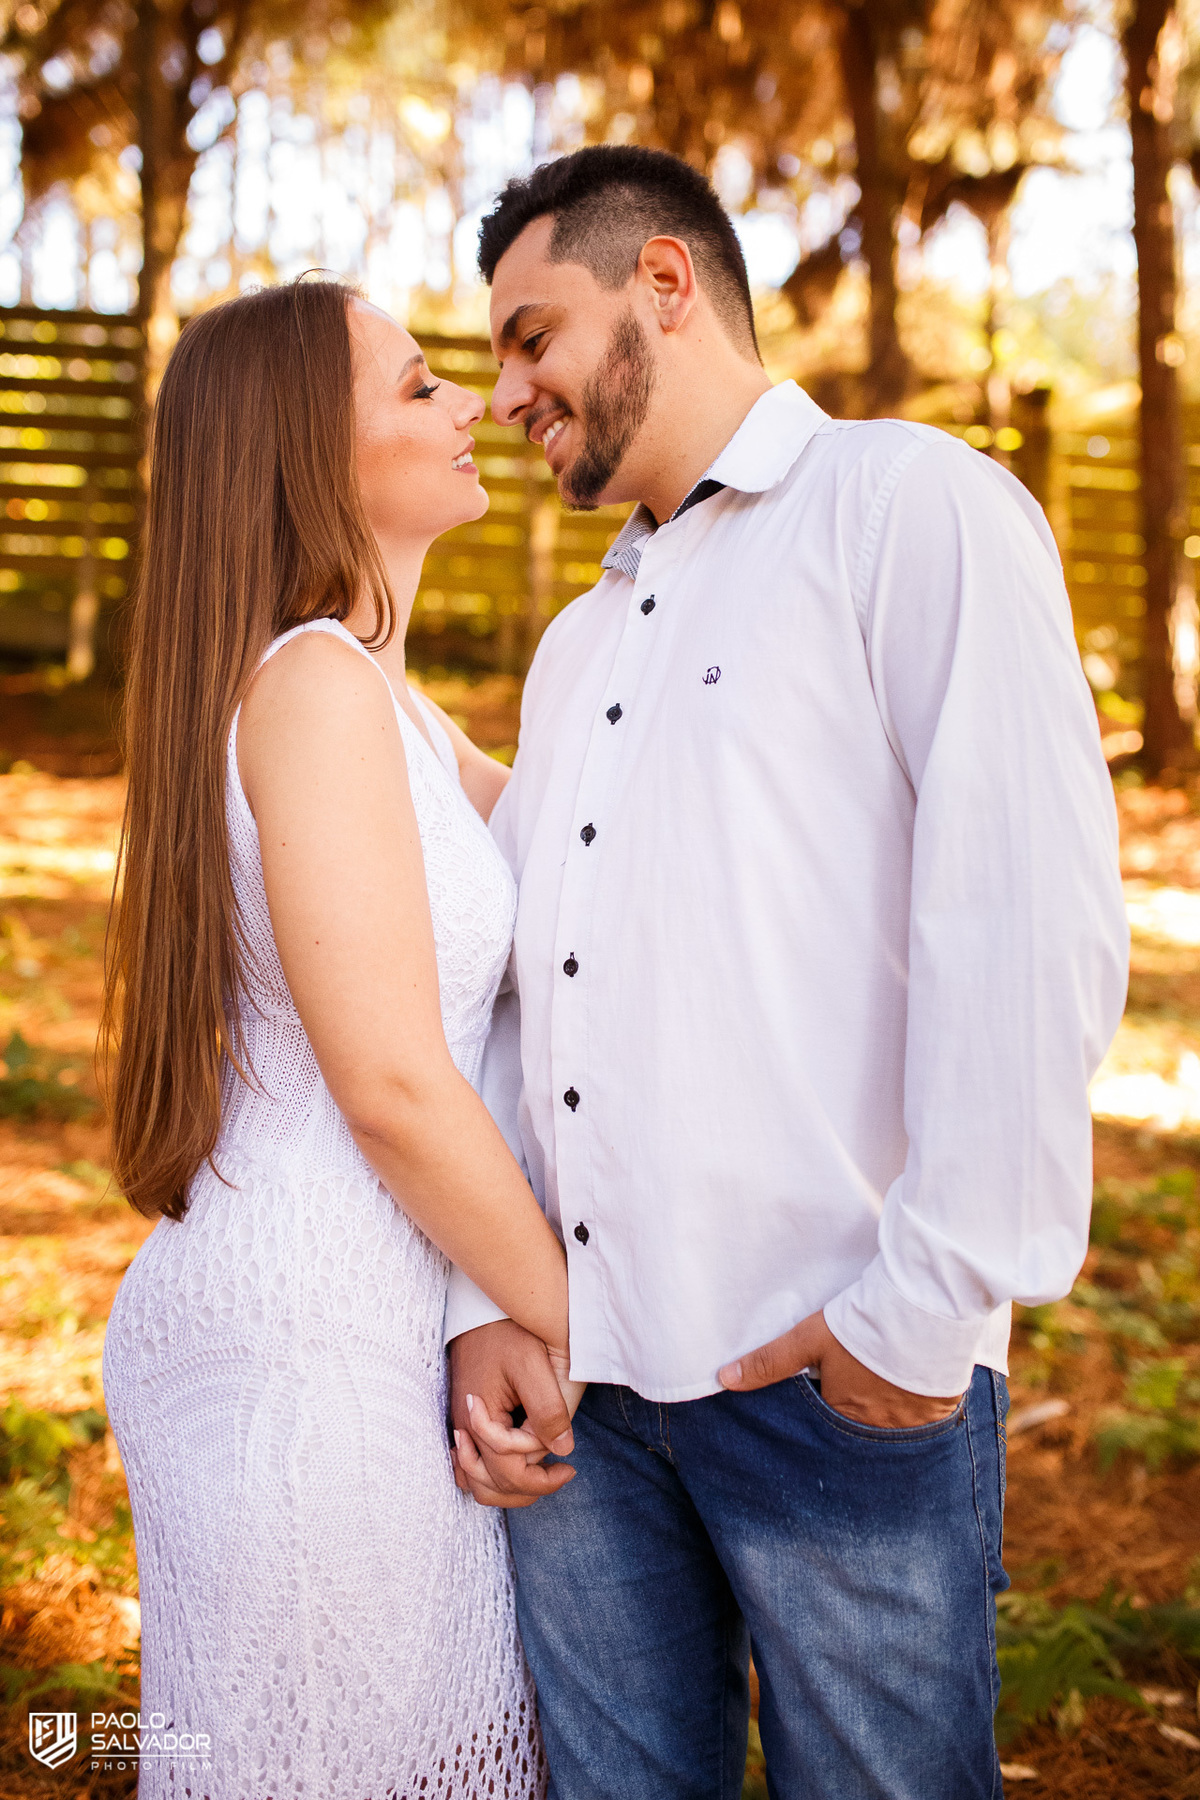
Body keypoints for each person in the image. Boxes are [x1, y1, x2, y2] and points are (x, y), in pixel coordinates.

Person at [446, 145, 1130, 1799]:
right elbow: (522, 978)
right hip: (587, 1402)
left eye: (533, 337)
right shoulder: (579, 640)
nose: (505, 395)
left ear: (663, 284)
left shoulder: (913, 508)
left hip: (834, 1382)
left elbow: (1029, 924)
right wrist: (488, 1304)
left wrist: (917, 1319)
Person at [101, 277, 580, 1800]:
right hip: (304, 1349)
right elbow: (386, 1081)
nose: (474, 409)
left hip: (373, 1319)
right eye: (425, 383)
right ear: (314, 449)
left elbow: (592, 879)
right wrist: (592, 1319)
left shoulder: (389, 705)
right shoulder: (309, 685)